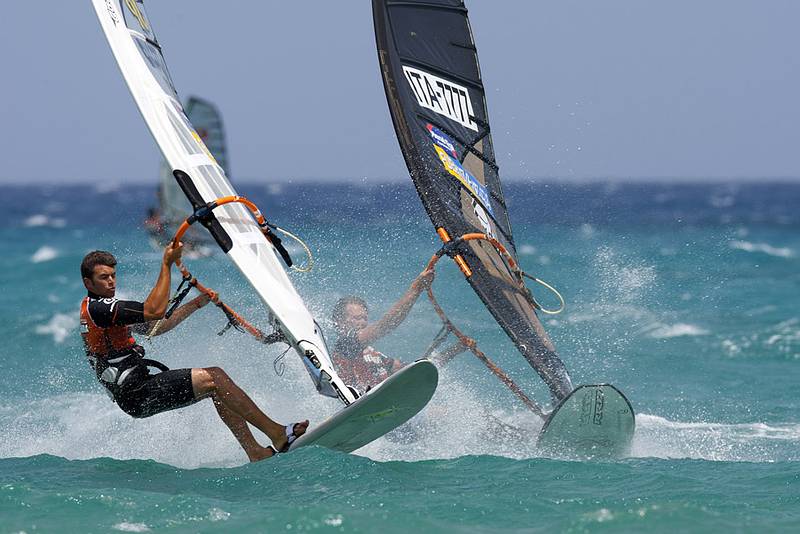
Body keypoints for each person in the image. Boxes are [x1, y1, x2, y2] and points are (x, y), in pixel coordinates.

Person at [79, 244, 307, 462]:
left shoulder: (102, 309)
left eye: (113, 275)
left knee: (218, 389)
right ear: (88, 282)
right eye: (103, 277)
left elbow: (156, 328)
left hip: (138, 389)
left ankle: (255, 452)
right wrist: (166, 263)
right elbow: (154, 311)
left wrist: (197, 303)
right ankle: (277, 433)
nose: (111, 281)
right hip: (137, 393)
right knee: (214, 377)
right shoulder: (99, 309)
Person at [331, 267, 466, 394]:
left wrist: (455, 350)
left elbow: (415, 372)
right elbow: (384, 326)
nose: (362, 322)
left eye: (364, 318)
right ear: (340, 321)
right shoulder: (344, 345)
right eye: (357, 318)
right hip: (357, 405)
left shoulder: (374, 356)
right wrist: (415, 289)